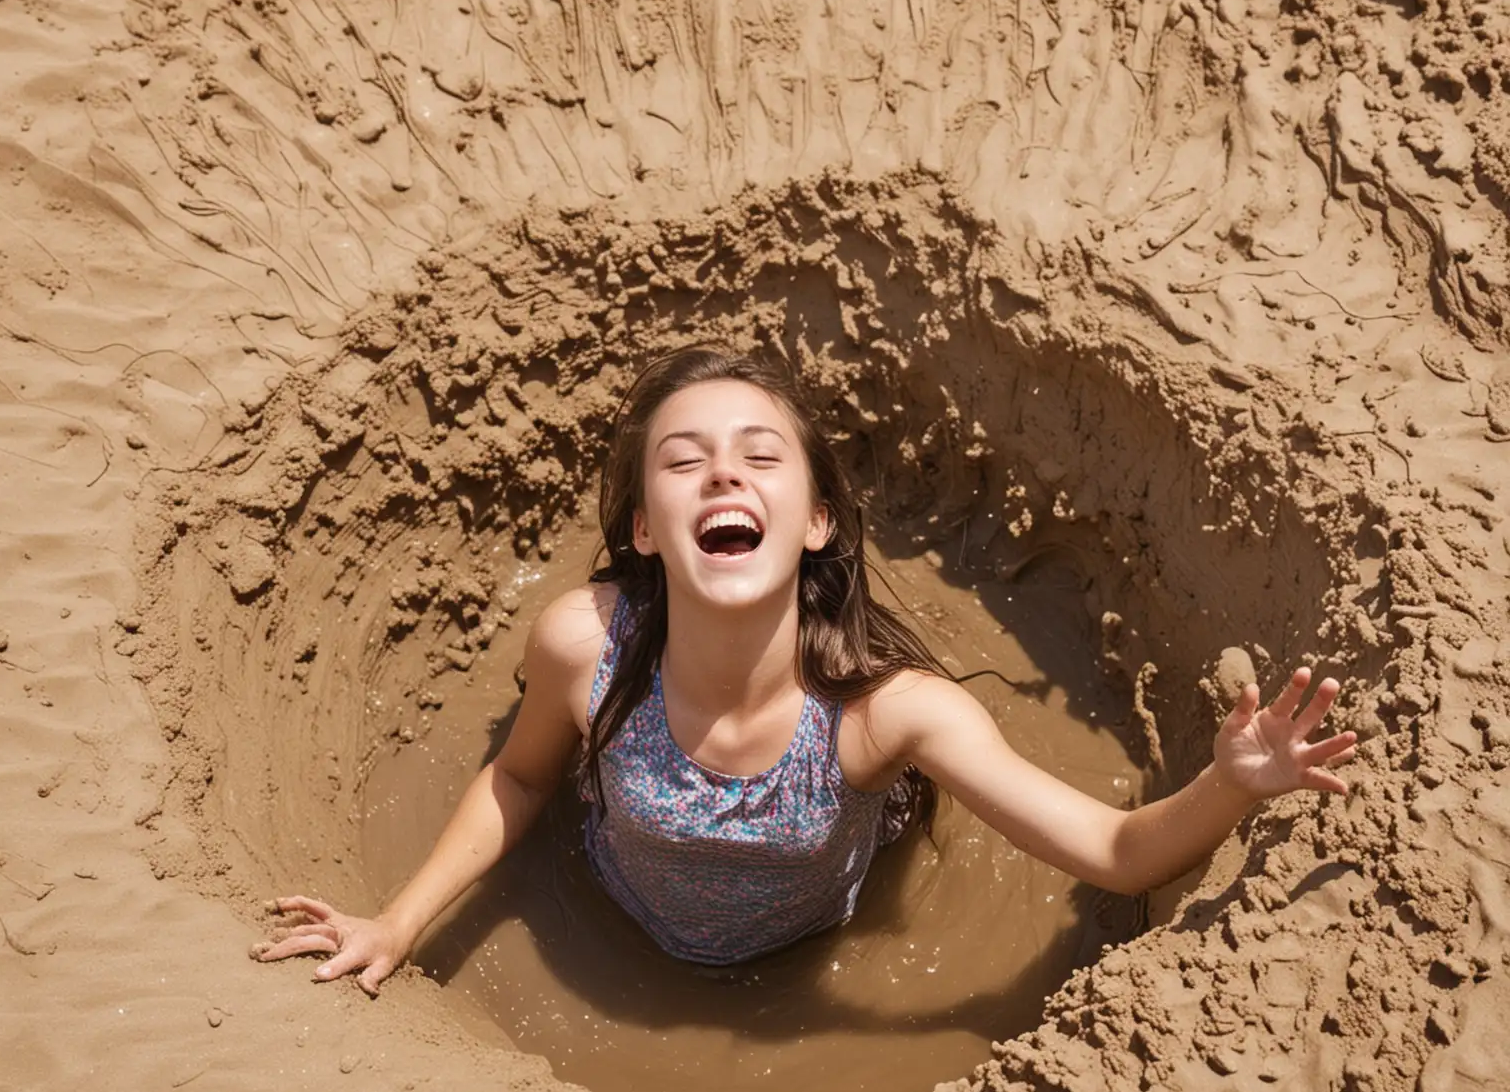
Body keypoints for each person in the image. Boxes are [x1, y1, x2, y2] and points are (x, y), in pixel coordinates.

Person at [252, 345, 1359, 994]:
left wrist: (1234, 782)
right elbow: (521, 780)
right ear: (645, 527)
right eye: (685, 463)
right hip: (617, 897)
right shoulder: (583, 646)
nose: (722, 476)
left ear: (817, 519)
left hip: (815, 930)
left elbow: (1120, 855)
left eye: (759, 457)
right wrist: (395, 926)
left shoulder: (890, 718)